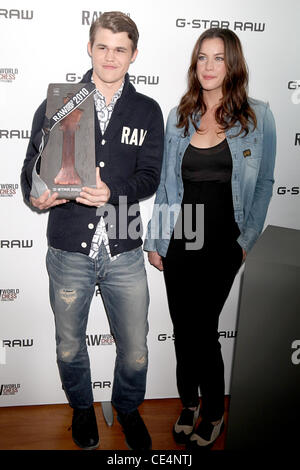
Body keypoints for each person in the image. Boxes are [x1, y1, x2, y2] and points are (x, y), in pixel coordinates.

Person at [21, 11, 164, 451]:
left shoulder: (147, 109)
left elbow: (150, 177)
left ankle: (126, 408)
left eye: (120, 48)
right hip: (68, 248)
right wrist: (36, 193)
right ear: (90, 47)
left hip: (123, 247)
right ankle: (82, 408)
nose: (110, 56)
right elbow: (32, 166)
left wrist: (112, 191)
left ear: (133, 55)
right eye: (102, 46)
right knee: (68, 346)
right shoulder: (59, 102)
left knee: (136, 348)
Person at [144, 28, 276, 449]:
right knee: (185, 330)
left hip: (223, 245)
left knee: (203, 329)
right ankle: (187, 403)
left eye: (218, 58)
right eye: (202, 57)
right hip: (181, 240)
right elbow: (167, 187)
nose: (208, 66)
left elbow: (264, 183)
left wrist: (247, 240)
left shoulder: (257, 117)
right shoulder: (178, 116)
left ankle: (215, 409)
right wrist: (156, 239)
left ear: (232, 64)